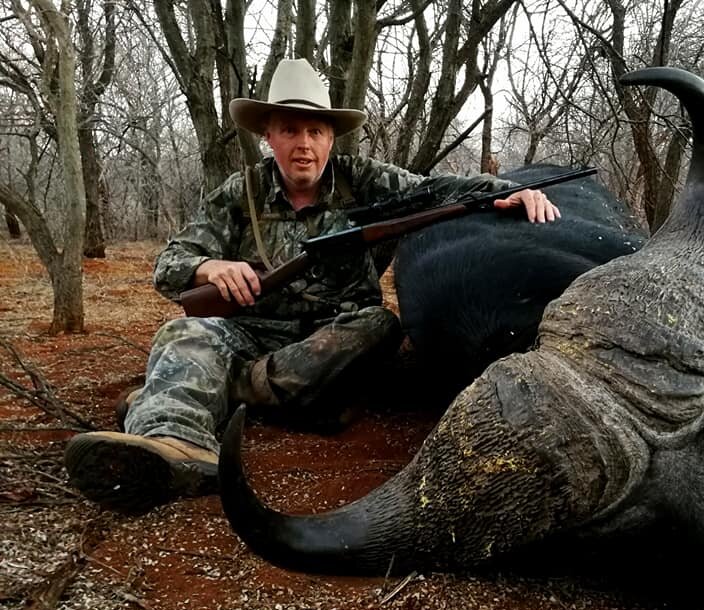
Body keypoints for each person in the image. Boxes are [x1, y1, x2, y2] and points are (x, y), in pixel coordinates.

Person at [63, 58, 560, 513]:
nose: (304, 143)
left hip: (333, 338)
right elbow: (169, 265)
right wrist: (211, 269)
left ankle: (218, 389)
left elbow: (437, 191)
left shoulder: (362, 179)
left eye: (316, 131)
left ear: (331, 138)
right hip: (252, 334)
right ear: (269, 136)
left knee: (378, 325)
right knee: (181, 335)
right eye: (291, 130)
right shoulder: (240, 194)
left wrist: (510, 193)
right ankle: (174, 443)